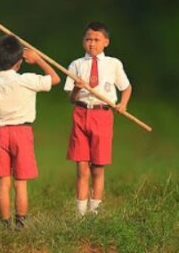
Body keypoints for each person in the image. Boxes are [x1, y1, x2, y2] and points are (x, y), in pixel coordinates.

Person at [0, 34, 61, 230]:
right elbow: (56, 79)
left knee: (3, 182)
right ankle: (21, 223)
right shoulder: (27, 80)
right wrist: (39, 59)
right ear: (19, 62)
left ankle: (5, 225)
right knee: (20, 183)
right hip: (22, 133)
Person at [64, 22, 132, 216]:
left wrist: (123, 104)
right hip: (81, 113)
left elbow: (126, 87)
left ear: (106, 42)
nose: (91, 44)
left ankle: (95, 212)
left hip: (103, 114)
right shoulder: (76, 65)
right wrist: (77, 88)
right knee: (82, 167)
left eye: (96, 40)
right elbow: (71, 99)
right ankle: (80, 215)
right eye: (88, 39)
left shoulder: (114, 64)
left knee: (98, 167)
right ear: (83, 42)